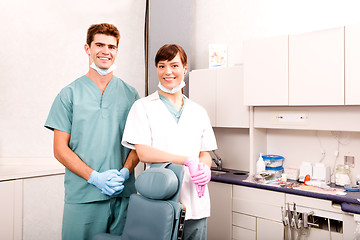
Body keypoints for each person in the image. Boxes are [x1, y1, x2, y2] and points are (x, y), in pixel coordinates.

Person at [44, 23, 140, 240]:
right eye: (99, 45)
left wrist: (125, 172)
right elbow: (60, 150)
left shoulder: (130, 94)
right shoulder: (69, 94)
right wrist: (95, 178)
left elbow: (138, 145)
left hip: (123, 195)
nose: (106, 51)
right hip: (83, 197)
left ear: (116, 51)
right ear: (87, 48)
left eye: (112, 47)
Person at [122, 44, 217, 240]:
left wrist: (204, 169)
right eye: (161, 66)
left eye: (174, 65)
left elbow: (205, 153)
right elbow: (143, 153)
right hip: (159, 200)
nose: (168, 72)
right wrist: (186, 160)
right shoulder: (143, 107)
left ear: (185, 68)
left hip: (195, 199)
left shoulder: (198, 111)